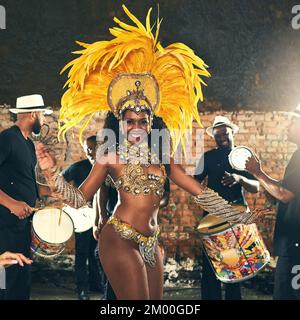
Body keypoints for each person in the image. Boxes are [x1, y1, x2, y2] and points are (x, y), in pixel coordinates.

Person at [36, 6, 262, 300]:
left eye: (143, 121)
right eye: (130, 121)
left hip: (150, 242)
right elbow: (80, 198)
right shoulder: (110, 156)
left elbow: (198, 191)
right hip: (118, 238)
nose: (137, 127)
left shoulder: (162, 157)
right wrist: (52, 173)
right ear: (121, 123)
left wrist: (234, 215)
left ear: (151, 123)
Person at [194, 116, 260, 300]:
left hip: (236, 218)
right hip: (213, 219)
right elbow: (194, 183)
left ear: (233, 132)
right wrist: (203, 195)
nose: (221, 137)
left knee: (236, 269)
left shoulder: (244, 156)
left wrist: (240, 179)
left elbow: (256, 187)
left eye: (225, 133)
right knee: (211, 269)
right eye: (217, 135)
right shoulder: (207, 157)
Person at [0, 94, 53, 300]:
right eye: (43, 115)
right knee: (6, 282)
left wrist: (54, 191)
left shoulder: (29, 144)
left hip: (21, 226)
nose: (45, 120)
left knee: (22, 279)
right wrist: (11, 203)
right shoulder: (7, 139)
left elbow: (29, 182)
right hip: (4, 226)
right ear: (33, 114)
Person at [245, 105, 300, 300]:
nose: (288, 125)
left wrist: (257, 172)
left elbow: (285, 194)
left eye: (292, 121)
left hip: (295, 244)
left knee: (288, 295)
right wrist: (263, 180)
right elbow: (284, 189)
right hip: (292, 242)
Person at [62, 135, 103, 300]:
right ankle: (82, 289)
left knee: (97, 253)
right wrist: (70, 199)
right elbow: (60, 180)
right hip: (82, 219)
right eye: (87, 149)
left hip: (99, 218)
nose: (90, 152)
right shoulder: (78, 167)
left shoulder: (105, 167)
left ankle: (96, 284)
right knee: (82, 254)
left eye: (93, 148)